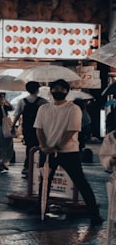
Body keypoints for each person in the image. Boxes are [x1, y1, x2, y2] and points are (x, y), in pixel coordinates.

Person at [34, 78, 103, 224]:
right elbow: (39, 129)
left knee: (80, 182)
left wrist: (56, 147)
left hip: (69, 152)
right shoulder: (44, 108)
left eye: (62, 89)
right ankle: (41, 208)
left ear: (67, 91)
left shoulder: (73, 109)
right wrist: (43, 146)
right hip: (47, 152)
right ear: (51, 91)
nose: (58, 91)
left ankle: (94, 214)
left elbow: (71, 131)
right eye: (55, 88)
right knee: (44, 182)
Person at [13, 81, 48, 176]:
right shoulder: (43, 101)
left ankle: (27, 166)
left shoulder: (22, 101)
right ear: (38, 90)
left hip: (27, 128)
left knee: (29, 146)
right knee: (41, 145)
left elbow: (17, 114)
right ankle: (41, 166)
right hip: (40, 127)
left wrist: (13, 126)